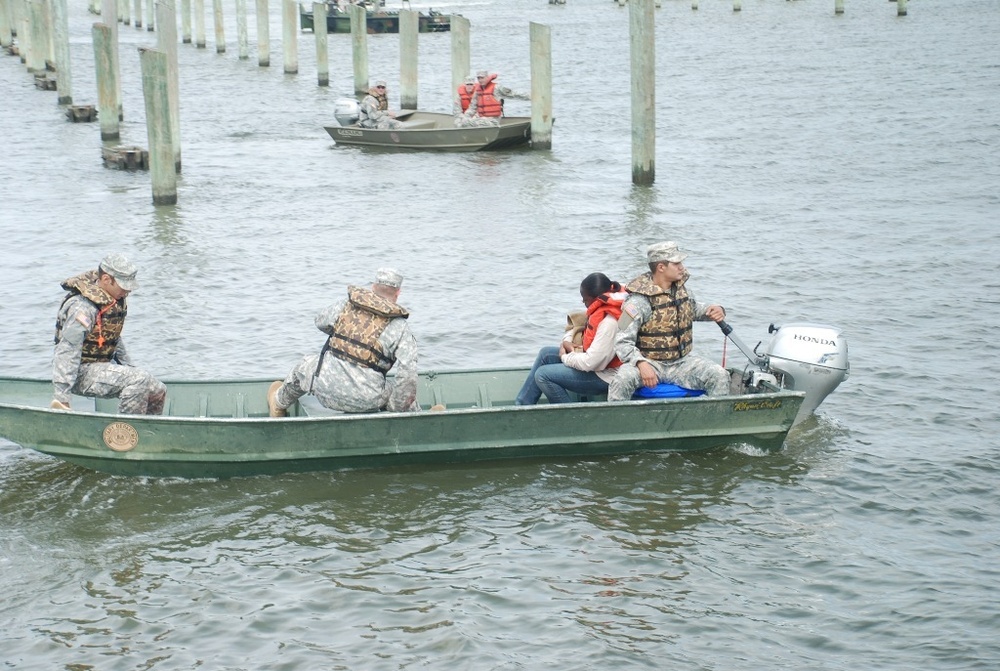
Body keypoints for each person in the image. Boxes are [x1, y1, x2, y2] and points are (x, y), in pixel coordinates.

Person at [268, 268, 419, 416]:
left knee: (304, 365)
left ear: (373, 287)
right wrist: (396, 407)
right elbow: (408, 375)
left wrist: (345, 336)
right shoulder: (400, 327)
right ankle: (420, 419)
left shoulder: (346, 306)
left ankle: (278, 404)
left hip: (326, 391)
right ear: (398, 293)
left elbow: (320, 321)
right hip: (369, 400)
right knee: (405, 395)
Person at [608, 242, 731, 401]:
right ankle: (618, 423)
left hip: (681, 363)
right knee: (621, 381)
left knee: (719, 375)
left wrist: (714, 309)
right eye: (677, 263)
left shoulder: (682, 291)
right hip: (648, 362)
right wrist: (640, 363)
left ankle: (712, 422)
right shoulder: (636, 303)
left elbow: (692, 309)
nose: (682, 267)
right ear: (661, 267)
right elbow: (622, 341)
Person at [51, 253, 166, 414]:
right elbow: (67, 351)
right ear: (106, 280)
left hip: (101, 369)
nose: (127, 291)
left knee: (157, 389)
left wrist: (131, 369)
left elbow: (113, 339)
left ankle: (149, 432)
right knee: (139, 380)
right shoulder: (82, 308)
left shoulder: (112, 300)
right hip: (79, 373)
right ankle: (124, 435)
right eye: (124, 285)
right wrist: (62, 398)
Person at [515, 273, 627, 405]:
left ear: (595, 299)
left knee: (543, 375)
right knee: (546, 354)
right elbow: (577, 330)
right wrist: (567, 342)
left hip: (607, 377)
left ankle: (573, 420)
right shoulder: (602, 309)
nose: (583, 303)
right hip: (598, 365)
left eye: (585, 300)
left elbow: (592, 363)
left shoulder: (610, 323)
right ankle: (521, 406)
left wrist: (565, 357)